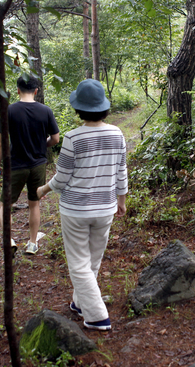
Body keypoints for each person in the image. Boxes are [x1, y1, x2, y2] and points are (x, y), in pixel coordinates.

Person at [37, 79, 127, 331]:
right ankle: (80, 302)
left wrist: (43, 189)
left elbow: (62, 178)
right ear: (104, 107)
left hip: (76, 210)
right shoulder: (117, 133)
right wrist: (121, 200)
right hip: (105, 208)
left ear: (79, 109)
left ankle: (98, 315)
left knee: (78, 264)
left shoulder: (73, 138)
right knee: (92, 260)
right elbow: (121, 171)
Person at [0, 75, 60, 255]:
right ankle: (32, 244)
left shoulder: (9, 111)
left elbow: (1, 142)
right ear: (36, 91)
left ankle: (9, 240)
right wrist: (41, 145)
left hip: (15, 165)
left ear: (17, 90)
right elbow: (55, 139)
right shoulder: (45, 111)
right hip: (38, 165)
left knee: (5, 205)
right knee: (34, 205)